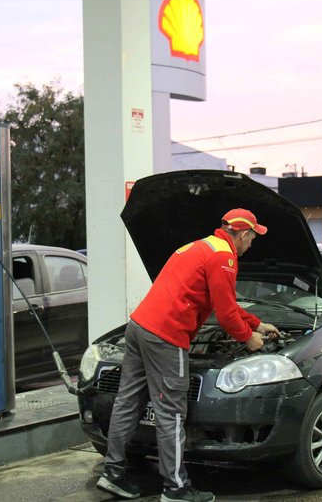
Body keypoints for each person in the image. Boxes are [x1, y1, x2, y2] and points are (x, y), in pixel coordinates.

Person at [96, 208, 280, 502]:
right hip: (166, 337)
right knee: (171, 413)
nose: (251, 244)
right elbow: (225, 313)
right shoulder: (225, 257)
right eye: (252, 238)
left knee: (127, 401)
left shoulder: (200, 245)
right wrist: (249, 338)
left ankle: (113, 473)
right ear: (244, 235)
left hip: (139, 327)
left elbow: (224, 303)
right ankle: (176, 488)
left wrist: (257, 323)